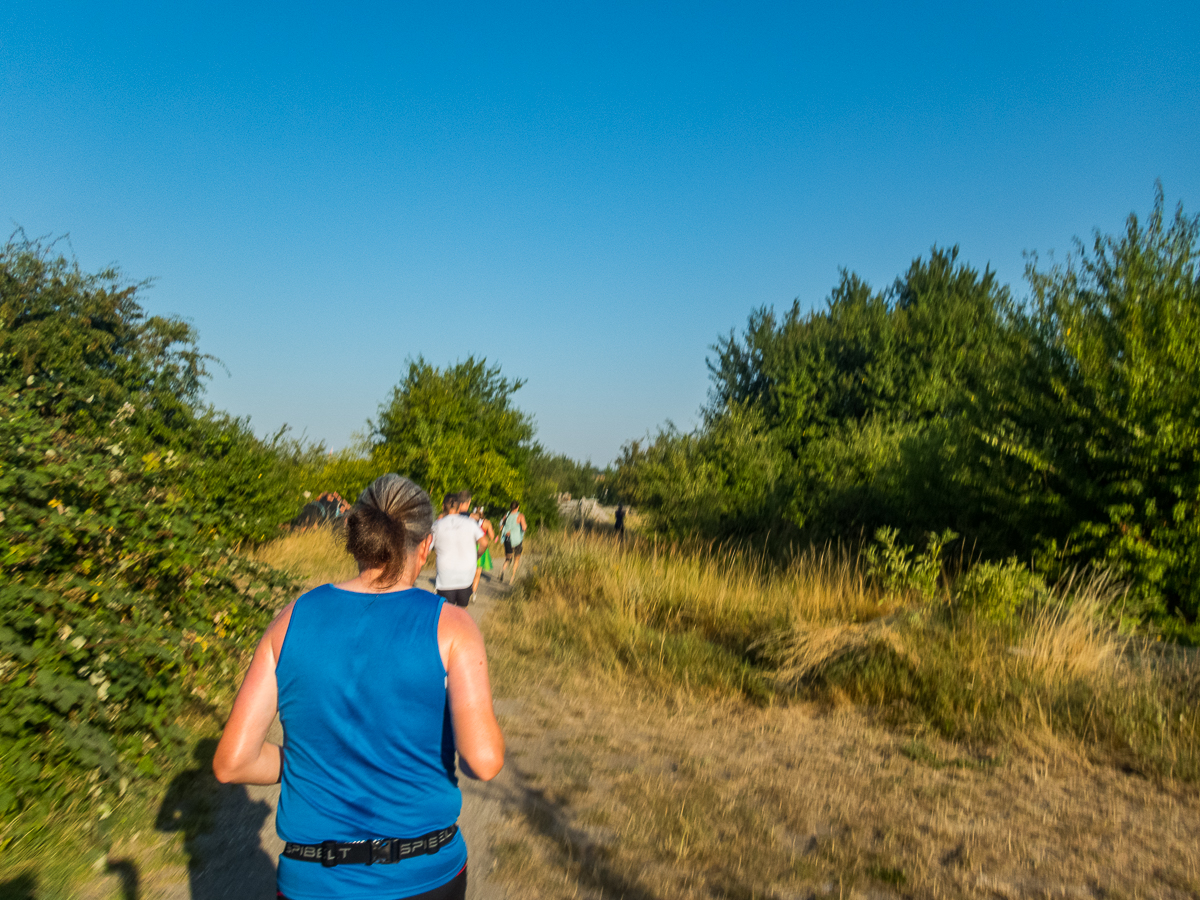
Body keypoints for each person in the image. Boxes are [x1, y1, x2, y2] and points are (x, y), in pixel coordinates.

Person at [212, 473, 504, 900]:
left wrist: (309, 762)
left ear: (356, 538)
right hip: (423, 874)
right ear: (425, 546)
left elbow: (232, 764)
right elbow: (484, 761)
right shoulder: (452, 626)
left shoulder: (290, 619)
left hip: (313, 879)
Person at [430, 491, 487, 608]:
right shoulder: (470, 524)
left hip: (445, 580)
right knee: (462, 614)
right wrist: (477, 556)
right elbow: (484, 543)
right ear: (459, 506)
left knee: (446, 615)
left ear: (442, 506)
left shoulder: (436, 526)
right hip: (466, 578)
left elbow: (426, 548)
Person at [497, 501, 527, 584]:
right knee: (516, 559)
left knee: (508, 558)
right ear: (518, 507)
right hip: (517, 540)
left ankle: (502, 571)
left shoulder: (506, 515)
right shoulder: (520, 516)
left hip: (507, 539)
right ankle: (512, 578)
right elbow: (524, 527)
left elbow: (500, 525)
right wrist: (523, 528)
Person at [469, 507, 495, 600]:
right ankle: (473, 593)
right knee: (478, 573)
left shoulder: (468, 520)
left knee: (468, 570)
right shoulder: (487, 523)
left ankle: (465, 588)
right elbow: (492, 537)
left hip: (469, 546)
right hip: (481, 547)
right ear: (483, 513)